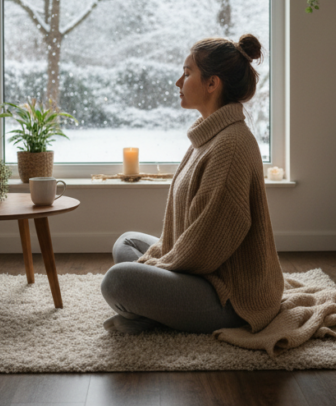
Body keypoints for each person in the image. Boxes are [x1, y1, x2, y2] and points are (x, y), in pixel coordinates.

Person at [100, 34, 284, 335]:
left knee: (117, 282)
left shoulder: (231, 145)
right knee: (128, 243)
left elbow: (206, 246)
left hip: (228, 297)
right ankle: (153, 313)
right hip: (203, 272)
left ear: (213, 84)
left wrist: (154, 268)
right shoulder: (210, 135)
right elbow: (191, 238)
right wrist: (156, 263)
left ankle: (151, 315)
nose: (178, 82)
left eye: (187, 74)